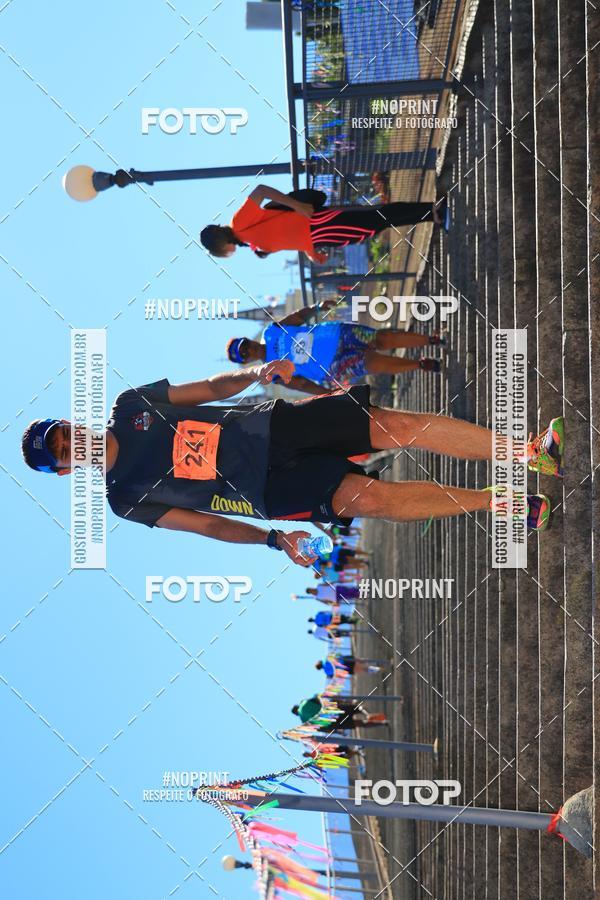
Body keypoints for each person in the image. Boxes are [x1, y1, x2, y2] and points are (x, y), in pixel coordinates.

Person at [21, 363, 564, 563]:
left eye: (66, 433)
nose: (75, 443)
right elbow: (205, 524)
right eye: (66, 452)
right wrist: (270, 540)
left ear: (72, 422)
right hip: (266, 490)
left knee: (394, 426)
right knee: (369, 499)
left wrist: (254, 373)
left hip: (271, 426)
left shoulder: (130, 405)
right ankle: (505, 502)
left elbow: (209, 387)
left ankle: (527, 451)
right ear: (68, 470)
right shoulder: (124, 500)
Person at [200, 183, 447, 264]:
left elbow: (261, 190)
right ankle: (430, 215)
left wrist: (296, 205)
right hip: (320, 236)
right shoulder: (251, 243)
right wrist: (310, 253)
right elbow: (289, 237)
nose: (224, 253)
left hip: (318, 223)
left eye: (218, 251)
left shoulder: (239, 224)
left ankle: (431, 211)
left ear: (220, 244)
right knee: (376, 224)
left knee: (376, 217)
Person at [226, 302, 445, 388]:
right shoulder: (271, 374)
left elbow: (297, 317)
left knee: (382, 338)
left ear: (249, 339)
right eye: (244, 354)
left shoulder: (271, 332)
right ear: (246, 361)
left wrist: (317, 306)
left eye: (245, 344)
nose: (248, 349)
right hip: (333, 366)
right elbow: (300, 384)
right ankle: (420, 364)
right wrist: (324, 394)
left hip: (337, 334)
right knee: (374, 363)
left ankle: (430, 340)